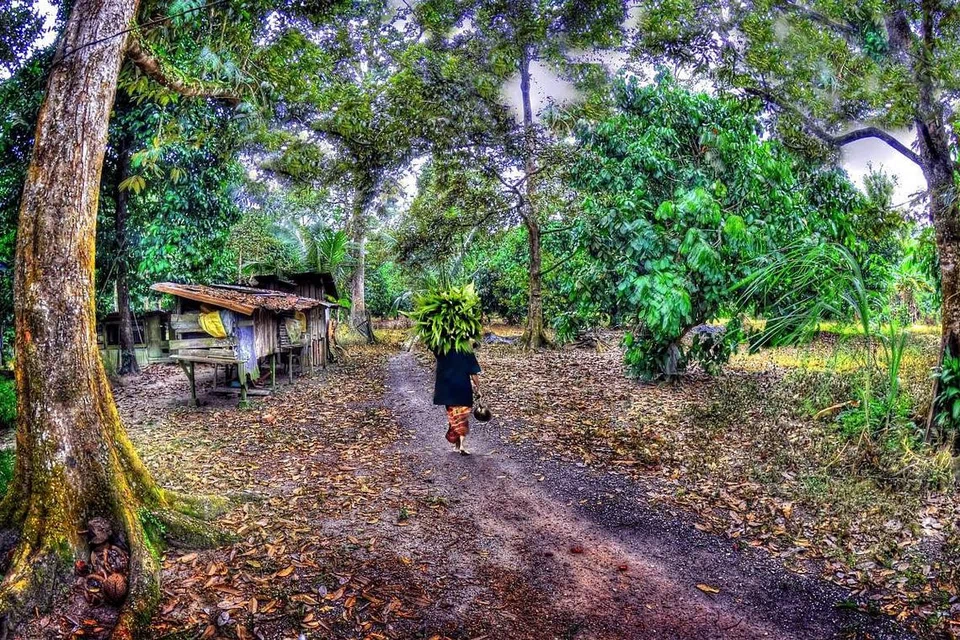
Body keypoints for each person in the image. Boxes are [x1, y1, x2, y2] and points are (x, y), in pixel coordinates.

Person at [432, 345, 481, 455]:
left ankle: (459, 444)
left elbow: (433, 346)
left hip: (447, 389)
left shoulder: (441, 349)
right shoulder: (466, 350)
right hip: (462, 387)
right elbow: (473, 372)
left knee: (454, 415)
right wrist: (478, 388)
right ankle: (461, 444)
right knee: (462, 416)